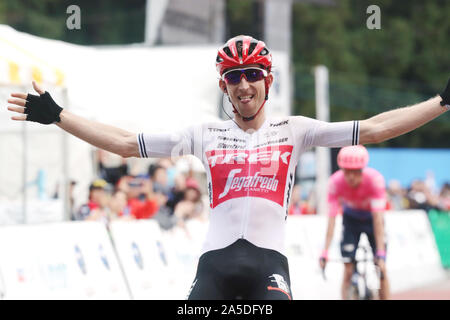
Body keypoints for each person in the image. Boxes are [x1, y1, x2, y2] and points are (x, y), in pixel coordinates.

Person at [6, 35, 450, 300]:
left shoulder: (296, 129)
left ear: (267, 80)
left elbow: (374, 128)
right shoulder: (204, 132)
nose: (243, 85)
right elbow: (124, 144)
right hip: (214, 265)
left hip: (269, 264)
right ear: (224, 85)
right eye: (233, 77)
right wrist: (59, 117)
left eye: (252, 74)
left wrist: (442, 102)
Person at [319, 145, 390, 300]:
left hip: (372, 220)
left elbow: (378, 220)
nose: (351, 176)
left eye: (356, 171)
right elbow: (331, 220)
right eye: (346, 171)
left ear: (362, 169)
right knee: (348, 270)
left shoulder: (375, 180)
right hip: (351, 220)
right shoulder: (335, 182)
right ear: (341, 170)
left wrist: (381, 253)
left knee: (381, 270)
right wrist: (325, 252)